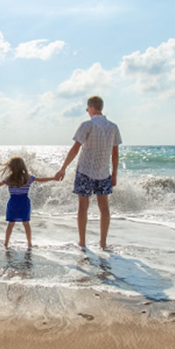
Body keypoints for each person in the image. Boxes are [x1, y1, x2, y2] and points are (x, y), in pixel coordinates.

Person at [54, 95, 122, 249]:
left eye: (87, 109)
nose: (87, 112)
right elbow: (115, 154)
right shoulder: (113, 127)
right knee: (104, 208)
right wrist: (115, 174)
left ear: (91, 108)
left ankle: (83, 242)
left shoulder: (87, 125)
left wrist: (63, 167)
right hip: (104, 173)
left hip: (85, 171)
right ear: (101, 108)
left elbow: (75, 149)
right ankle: (103, 243)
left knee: (83, 207)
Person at [0, 156, 57, 248]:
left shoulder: (9, 179)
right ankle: (29, 243)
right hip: (24, 202)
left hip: (13, 202)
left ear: (11, 167)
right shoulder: (28, 177)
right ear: (23, 166)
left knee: (11, 224)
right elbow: (41, 180)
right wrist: (53, 178)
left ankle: (6, 243)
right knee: (26, 224)